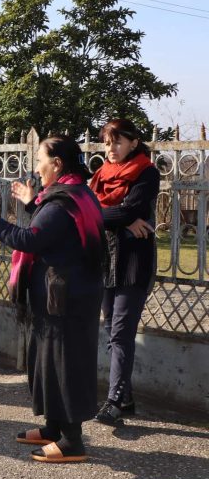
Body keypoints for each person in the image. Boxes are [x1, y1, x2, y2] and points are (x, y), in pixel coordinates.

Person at [0, 136, 104, 463]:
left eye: (40, 160)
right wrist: (31, 203)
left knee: (64, 365)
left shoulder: (63, 201)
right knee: (48, 362)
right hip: (64, 296)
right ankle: (54, 428)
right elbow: (56, 230)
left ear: (57, 164)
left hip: (66, 300)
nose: (36, 168)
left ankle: (72, 442)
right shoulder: (72, 194)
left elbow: (30, 239)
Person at [89, 119, 159, 425]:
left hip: (133, 261)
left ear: (133, 142)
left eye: (117, 142)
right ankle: (126, 397)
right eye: (107, 143)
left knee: (120, 332)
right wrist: (123, 219)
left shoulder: (147, 172)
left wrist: (119, 216)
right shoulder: (101, 175)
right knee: (110, 329)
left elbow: (128, 209)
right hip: (106, 258)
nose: (111, 148)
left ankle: (115, 400)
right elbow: (87, 209)